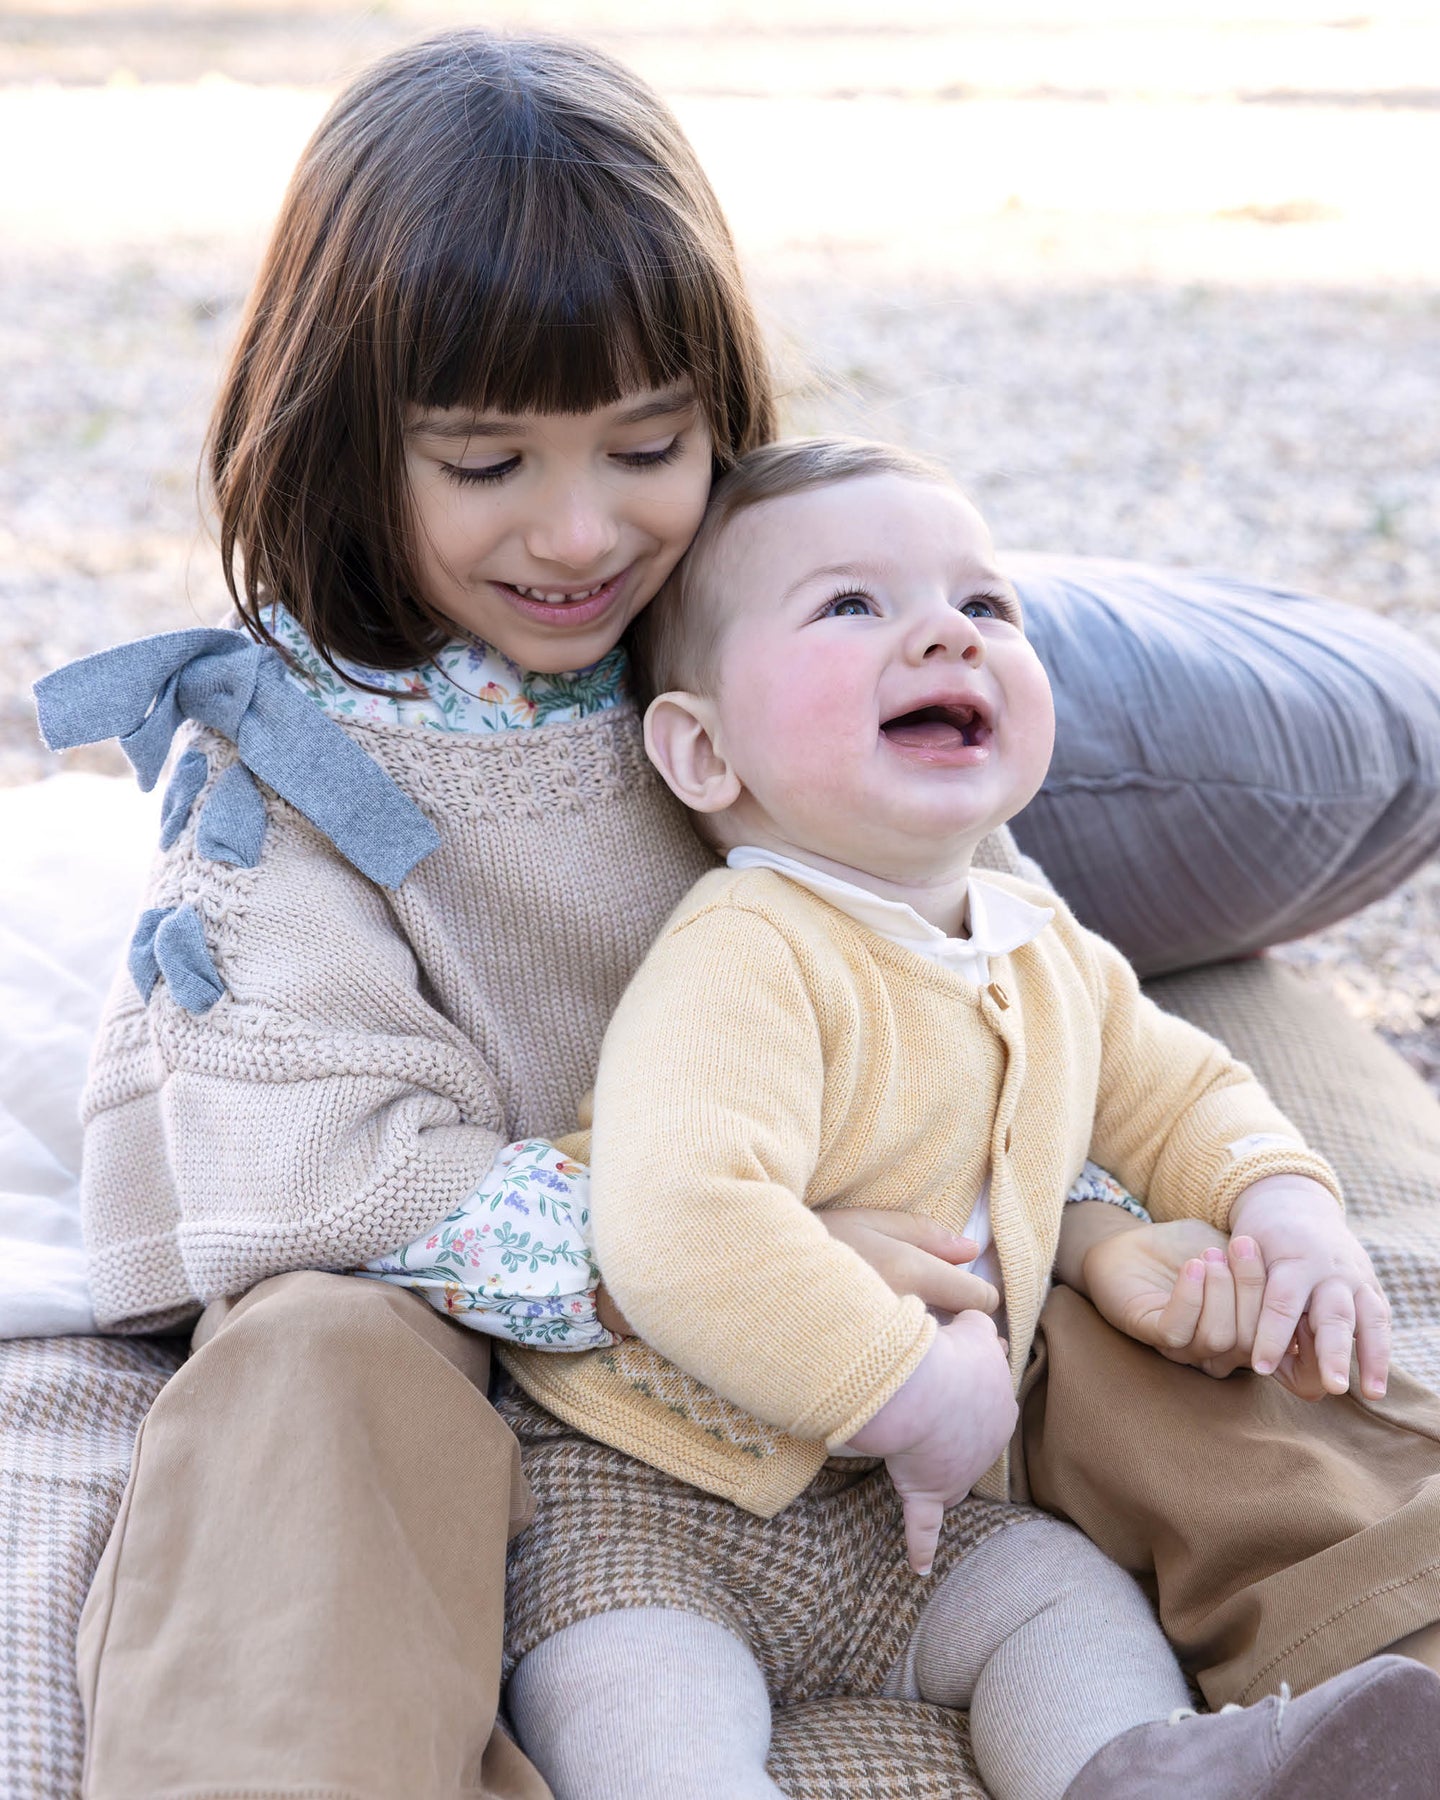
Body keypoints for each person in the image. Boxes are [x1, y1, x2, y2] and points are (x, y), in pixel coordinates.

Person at [27, 27, 1440, 1800]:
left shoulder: (766, 648)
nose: (579, 533)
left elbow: (998, 992)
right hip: (494, 1327)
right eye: (487, 465)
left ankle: (1375, 1656)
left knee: (1157, 1316)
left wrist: (1099, 1235)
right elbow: (308, 1175)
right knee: (308, 1364)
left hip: (881, 1340)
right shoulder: (293, 772)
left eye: (647, 446)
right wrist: (730, 1247)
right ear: (352, 447)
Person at [492, 436, 1440, 1799]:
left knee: (1065, 1604)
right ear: (704, 748)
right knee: (635, 1697)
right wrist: (903, 1383)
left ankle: (1149, 1777)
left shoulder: (1038, 943)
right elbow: (679, 1220)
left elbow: (1179, 1091)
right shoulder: (747, 949)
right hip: (654, 1494)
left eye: (986, 603)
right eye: (850, 604)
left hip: (917, 1526)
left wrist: (1280, 1204)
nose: (948, 633)